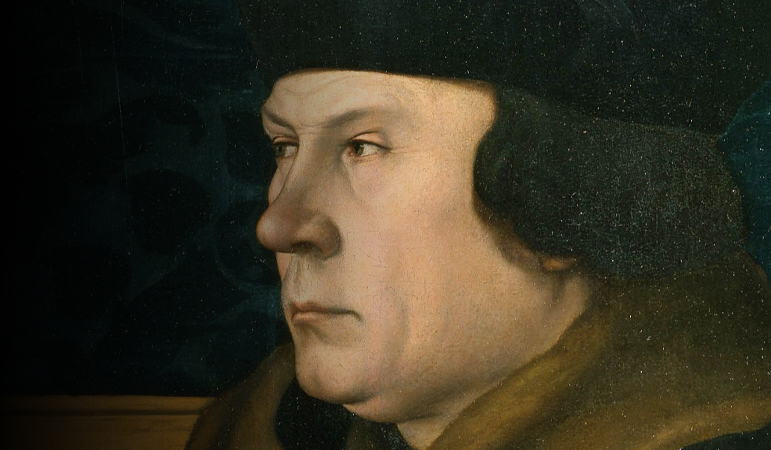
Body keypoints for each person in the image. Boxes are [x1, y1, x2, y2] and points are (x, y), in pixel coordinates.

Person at [185, 1, 771, 449]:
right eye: (284, 146)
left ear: (561, 199)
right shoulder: (262, 428)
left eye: (363, 146)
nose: (278, 225)